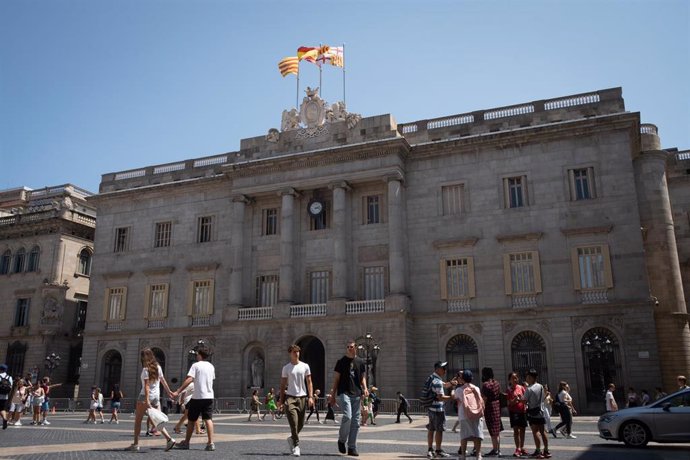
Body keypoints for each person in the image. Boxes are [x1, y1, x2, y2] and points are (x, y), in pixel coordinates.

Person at [125, 348, 177, 452]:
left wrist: (147, 400)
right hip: (156, 396)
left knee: (138, 421)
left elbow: (147, 386)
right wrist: (169, 392)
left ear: (143, 357)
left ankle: (135, 444)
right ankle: (169, 439)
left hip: (145, 396)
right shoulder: (158, 367)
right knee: (156, 420)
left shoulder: (145, 369)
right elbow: (163, 381)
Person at [171, 344, 216, 451]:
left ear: (200, 355)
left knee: (191, 420)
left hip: (197, 397)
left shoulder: (195, 365)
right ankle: (210, 443)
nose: (196, 356)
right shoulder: (211, 366)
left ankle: (186, 443)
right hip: (209, 396)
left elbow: (189, 379)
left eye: (197, 354)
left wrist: (178, 390)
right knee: (208, 419)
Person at [328, 339, 368, 457]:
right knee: (348, 416)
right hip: (344, 392)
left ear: (355, 347)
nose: (349, 349)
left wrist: (365, 388)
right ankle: (341, 440)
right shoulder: (340, 362)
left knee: (356, 422)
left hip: (356, 393)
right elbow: (336, 379)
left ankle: (352, 447)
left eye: (351, 347)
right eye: (348, 347)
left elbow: (362, 377)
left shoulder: (360, 362)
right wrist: (333, 395)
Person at [279, 344, 314, 457]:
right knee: (293, 423)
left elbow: (309, 382)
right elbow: (283, 384)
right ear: (290, 353)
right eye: (294, 352)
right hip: (290, 397)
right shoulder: (286, 368)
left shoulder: (305, 366)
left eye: (298, 351)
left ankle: (292, 438)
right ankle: (296, 446)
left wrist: (311, 397)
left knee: (301, 423)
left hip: (303, 397)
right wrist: (281, 400)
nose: (296, 353)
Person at [425, 360, 455, 459]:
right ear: (438, 369)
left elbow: (445, 385)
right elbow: (440, 397)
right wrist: (452, 397)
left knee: (431, 429)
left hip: (430, 408)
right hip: (438, 409)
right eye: (443, 368)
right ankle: (438, 450)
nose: (445, 370)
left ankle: (430, 449)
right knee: (439, 430)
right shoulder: (437, 381)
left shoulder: (431, 378)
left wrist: (451, 383)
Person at [455, 370, 484, 460]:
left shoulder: (459, 390)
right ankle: (478, 455)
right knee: (477, 435)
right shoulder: (477, 388)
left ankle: (463, 455)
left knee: (464, 436)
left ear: (462, 379)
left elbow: (454, 397)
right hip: (477, 413)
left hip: (464, 414)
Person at [523, 369, 550, 459]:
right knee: (543, 431)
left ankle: (538, 451)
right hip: (541, 411)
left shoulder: (529, 389)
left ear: (530, 377)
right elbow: (543, 397)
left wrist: (519, 399)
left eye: (527, 377)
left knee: (535, 432)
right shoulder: (541, 386)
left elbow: (524, 401)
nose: (526, 378)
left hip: (533, 412)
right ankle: (546, 450)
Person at [480, 367, 502, 457]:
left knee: (493, 430)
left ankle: (495, 449)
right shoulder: (496, 383)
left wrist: (482, 409)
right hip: (497, 405)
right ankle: (498, 449)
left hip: (489, 407)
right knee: (497, 430)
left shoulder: (486, 385)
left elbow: (484, 398)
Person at [506, 372, 527, 458]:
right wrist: (515, 399)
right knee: (516, 431)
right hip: (514, 411)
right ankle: (517, 448)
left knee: (522, 430)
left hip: (522, 411)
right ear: (509, 380)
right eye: (513, 378)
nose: (515, 380)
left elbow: (525, 399)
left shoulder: (521, 388)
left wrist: (524, 404)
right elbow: (509, 403)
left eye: (516, 378)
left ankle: (521, 447)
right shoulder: (509, 390)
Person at [0, 364, 13, 430]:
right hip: (5, 396)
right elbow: (11, 387)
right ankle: (5, 418)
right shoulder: (9, 377)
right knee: (2, 409)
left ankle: (4, 419)